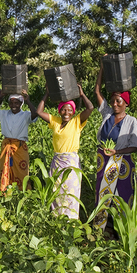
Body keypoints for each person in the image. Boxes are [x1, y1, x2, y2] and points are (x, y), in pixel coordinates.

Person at [94, 62, 137, 234]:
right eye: (113, 100)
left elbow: (135, 147)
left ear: (125, 103)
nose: (114, 104)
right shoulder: (107, 115)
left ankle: (121, 229)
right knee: (103, 193)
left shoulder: (131, 121)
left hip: (122, 163)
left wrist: (117, 152)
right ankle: (102, 228)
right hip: (104, 160)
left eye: (118, 101)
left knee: (121, 195)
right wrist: (102, 67)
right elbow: (97, 92)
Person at [36, 84, 93, 219]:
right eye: (63, 110)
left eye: (69, 110)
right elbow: (39, 112)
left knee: (71, 192)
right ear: (59, 111)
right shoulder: (55, 121)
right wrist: (47, 94)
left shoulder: (77, 121)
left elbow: (90, 108)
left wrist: (82, 95)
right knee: (57, 191)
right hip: (57, 162)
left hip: (71, 163)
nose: (66, 113)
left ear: (73, 112)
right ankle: (57, 219)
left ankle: (71, 221)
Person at [0, 89, 38, 191]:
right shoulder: (3, 114)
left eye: (16, 102)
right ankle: (6, 191)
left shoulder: (25, 115)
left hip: (20, 147)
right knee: (6, 169)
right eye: (11, 102)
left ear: (21, 104)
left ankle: (23, 192)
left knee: (22, 171)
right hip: (6, 145)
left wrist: (28, 100)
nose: (13, 105)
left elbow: (35, 114)